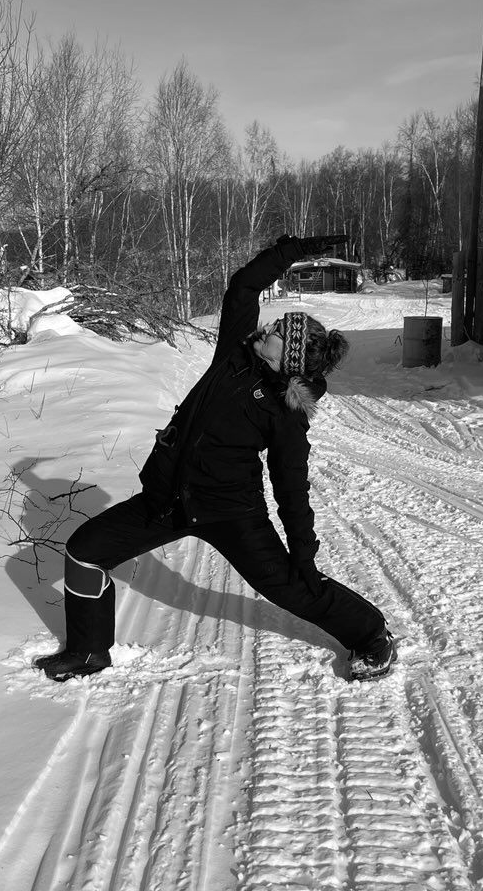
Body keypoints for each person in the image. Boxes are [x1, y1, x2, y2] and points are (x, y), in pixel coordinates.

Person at [34, 235, 396, 682]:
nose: (270, 329)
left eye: (281, 333)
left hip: (231, 512)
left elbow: (290, 486)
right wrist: (290, 251)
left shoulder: (284, 413)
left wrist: (303, 554)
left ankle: (372, 635)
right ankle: (89, 653)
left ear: (290, 359)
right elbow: (242, 288)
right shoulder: (234, 356)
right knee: (84, 552)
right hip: (166, 502)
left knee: (294, 590)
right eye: (277, 324)